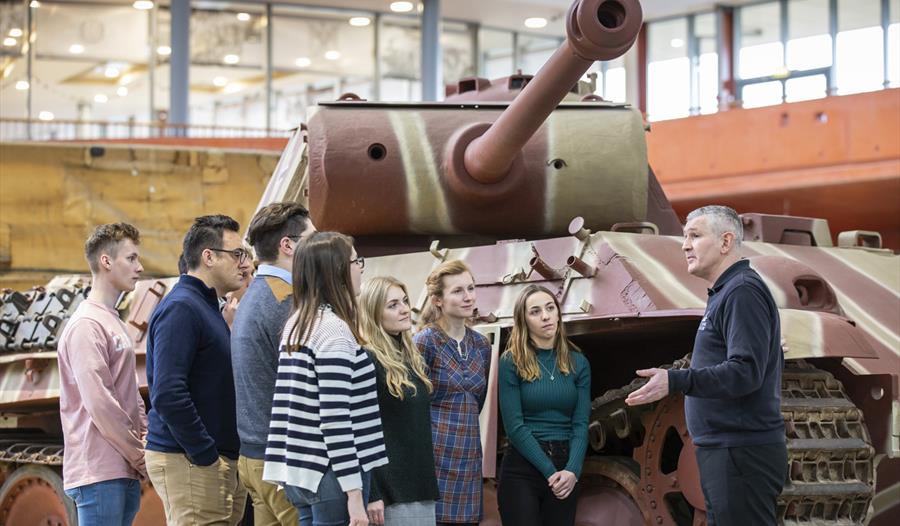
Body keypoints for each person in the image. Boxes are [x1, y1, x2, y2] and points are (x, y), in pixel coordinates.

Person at [625, 205, 787, 526]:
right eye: (685, 236)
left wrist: (675, 380)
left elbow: (745, 372)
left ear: (726, 242)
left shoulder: (742, 292)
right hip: (727, 452)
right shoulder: (728, 291)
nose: (685, 245)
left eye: (695, 236)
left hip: (739, 453)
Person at [263, 232, 388, 526]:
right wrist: (355, 497)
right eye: (356, 261)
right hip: (332, 474)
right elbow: (335, 419)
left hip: (301, 471)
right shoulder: (333, 331)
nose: (360, 268)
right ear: (337, 272)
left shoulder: (298, 323)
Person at [145, 214, 252, 526]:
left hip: (210, 459)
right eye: (237, 254)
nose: (243, 264)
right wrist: (205, 454)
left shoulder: (205, 306)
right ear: (209, 257)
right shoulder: (182, 308)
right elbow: (167, 393)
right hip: (192, 460)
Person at [57, 223, 147, 526]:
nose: (140, 267)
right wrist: (140, 454)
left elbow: (130, 393)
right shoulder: (87, 325)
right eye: (131, 259)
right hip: (100, 471)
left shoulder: (113, 321)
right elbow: (100, 404)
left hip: (119, 468)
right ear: (106, 261)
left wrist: (142, 443)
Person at [232, 202, 314, 526]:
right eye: (312, 237)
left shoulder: (254, 295)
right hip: (280, 460)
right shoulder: (285, 301)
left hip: (255, 457)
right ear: (288, 245)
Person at [497, 285, 590, 526]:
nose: (546, 316)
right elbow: (514, 427)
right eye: (535, 311)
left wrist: (572, 470)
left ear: (558, 313)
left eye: (550, 308)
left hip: (565, 467)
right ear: (524, 320)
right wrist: (550, 472)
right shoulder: (511, 362)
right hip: (522, 467)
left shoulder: (578, 362)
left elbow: (580, 423)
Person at [414, 260, 491, 526]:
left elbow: (476, 402)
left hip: (468, 457)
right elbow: (414, 405)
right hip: (434, 458)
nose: (468, 296)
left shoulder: (481, 344)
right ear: (437, 300)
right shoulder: (425, 341)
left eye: (471, 288)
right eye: (458, 291)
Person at [359, 277, 440, 525]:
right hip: (391, 493)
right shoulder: (368, 359)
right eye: (392, 305)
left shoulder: (409, 357)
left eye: (404, 301)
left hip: (420, 486)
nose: (405, 309)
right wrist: (372, 493)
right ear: (373, 313)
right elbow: (360, 430)